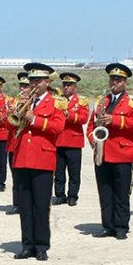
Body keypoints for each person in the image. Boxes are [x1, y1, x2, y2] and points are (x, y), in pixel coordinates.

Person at [11, 63, 65, 260]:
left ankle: (41, 246)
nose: (34, 84)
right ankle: (27, 245)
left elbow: (57, 127)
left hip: (42, 158)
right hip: (22, 158)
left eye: (38, 81)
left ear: (47, 82)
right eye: (31, 80)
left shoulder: (56, 103)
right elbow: (13, 127)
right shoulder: (22, 101)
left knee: (41, 206)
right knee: (25, 206)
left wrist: (33, 119)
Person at [86, 63, 133, 240]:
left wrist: (115, 120)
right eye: (112, 79)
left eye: (118, 80)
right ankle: (107, 225)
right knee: (104, 191)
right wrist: (93, 139)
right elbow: (91, 125)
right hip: (102, 152)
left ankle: (121, 226)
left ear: (125, 82)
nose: (115, 82)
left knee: (121, 192)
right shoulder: (102, 101)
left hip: (122, 153)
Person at [53, 72, 89, 206]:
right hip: (58, 140)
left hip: (73, 141)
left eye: (69, 85)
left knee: (74, 172)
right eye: (64, 84)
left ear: (75, 87)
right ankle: (60, 195)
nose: (66, 87)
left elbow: (83, 118)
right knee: (58, 172)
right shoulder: (57, 100)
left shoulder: (81, 101)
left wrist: (69, 115)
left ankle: (73, 196)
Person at [5, 72, 30, 215]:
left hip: (27, 145)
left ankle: (27, 203)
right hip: (14, 145)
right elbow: (8, 126)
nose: (23, 89)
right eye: (21, 85)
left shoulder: (33, 102)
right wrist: (11, 114)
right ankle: (17, 203)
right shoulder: (12, 102)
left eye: (25, 86)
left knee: (28, 176)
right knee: (16, 176)